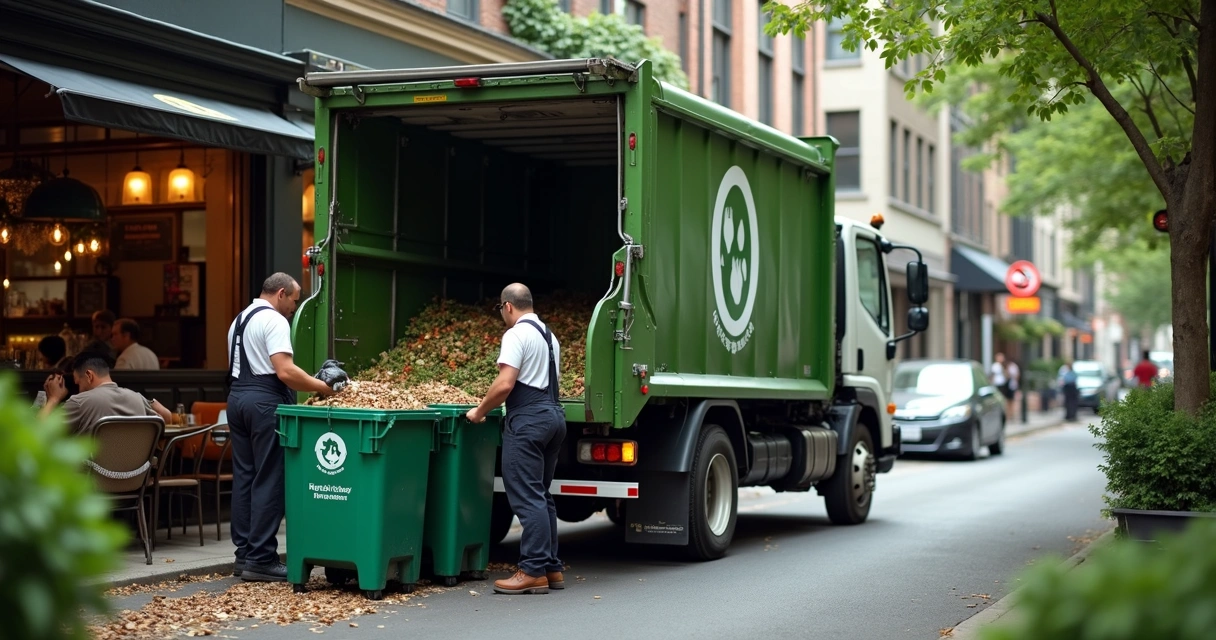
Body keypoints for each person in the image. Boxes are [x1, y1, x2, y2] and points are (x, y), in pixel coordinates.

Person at [226, 273, 336, 582]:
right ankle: (261, 558)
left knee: (245, 478)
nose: (293, 308)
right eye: (294, 301)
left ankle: (244, 555)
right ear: (282, 294)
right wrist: (324, 388)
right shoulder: (274, 321)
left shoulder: (239, 319)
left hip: (237, 399)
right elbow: (285, 371)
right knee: (270, 478)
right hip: (264, 403)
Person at [467, 283, 566, 596]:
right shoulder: (551, 336)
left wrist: (479, 411)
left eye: (501, 310)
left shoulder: (515, 335)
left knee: (526, 495)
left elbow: (505, 383)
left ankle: (532, 570)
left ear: (507, 306)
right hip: (554, 417)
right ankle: (551, 567)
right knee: (541, 494)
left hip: (528, 421)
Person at [39, 351, 169, 435]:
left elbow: (38, 433)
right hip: (136, 476)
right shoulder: (138, 398)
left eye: (78, 382)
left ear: (89, 375)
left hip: (90, 477)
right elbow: (164, 419)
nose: (78, 388)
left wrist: (54, 399)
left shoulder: (80, 402)